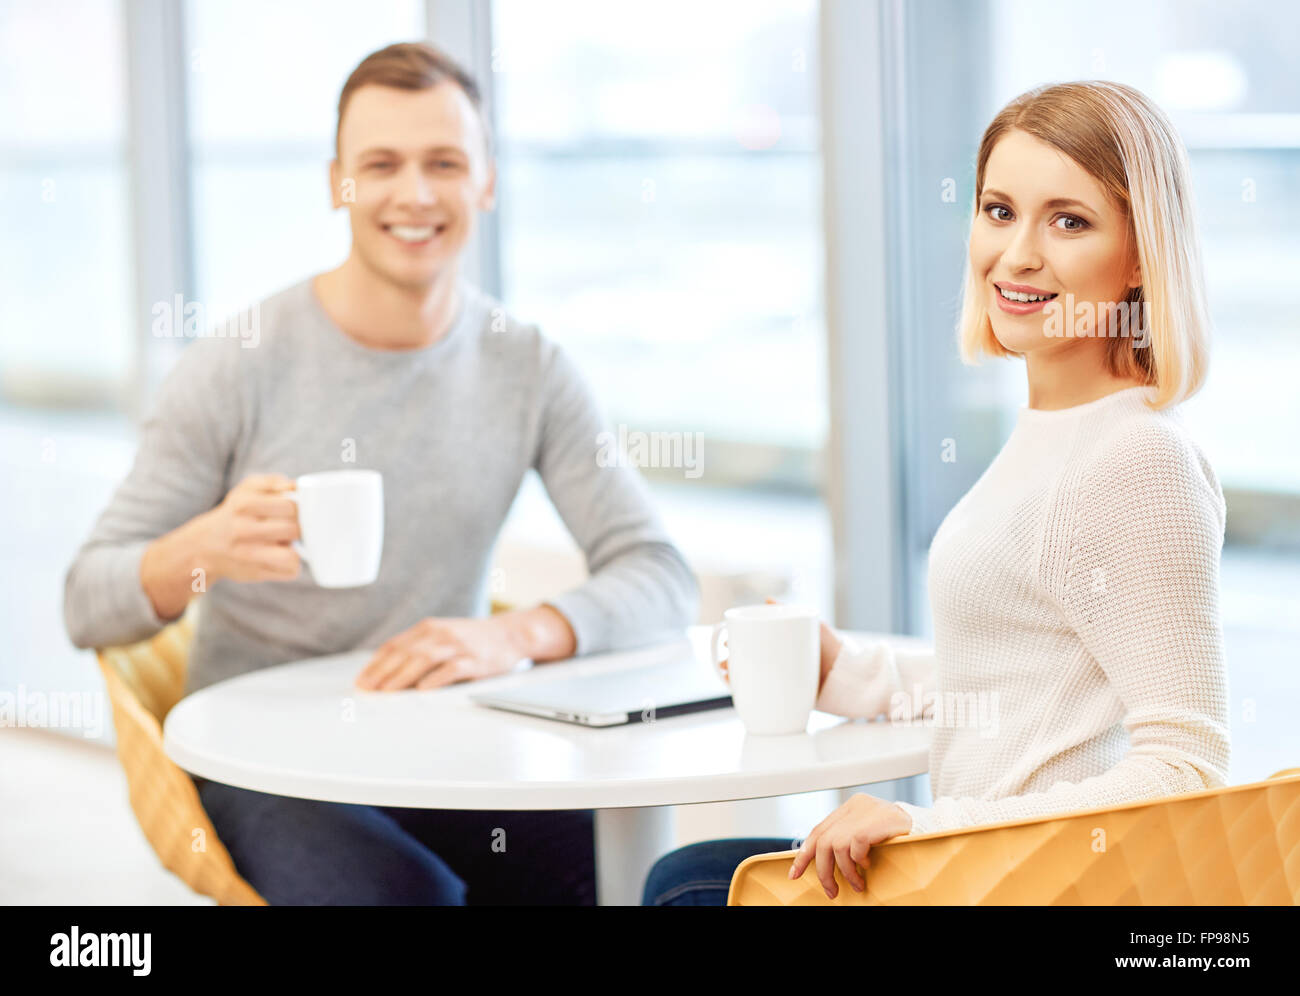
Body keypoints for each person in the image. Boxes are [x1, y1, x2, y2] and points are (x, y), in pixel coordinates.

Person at [63, 41, 698, 906]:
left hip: (442, 750)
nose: (415, 193)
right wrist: (198, 549)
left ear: (486, 182)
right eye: (381, 164)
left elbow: (660, 575)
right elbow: (84, 600)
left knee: (621, 877)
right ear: (337, 184)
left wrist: (515, 634)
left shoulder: (529, 366)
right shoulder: (238, 364)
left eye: (444, 162)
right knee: (409, 897)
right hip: (262, 764)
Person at [643, 79, 1229, 906]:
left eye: (1069, 221)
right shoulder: (1056, 432)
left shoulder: (1136, 462)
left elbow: (1188, 768)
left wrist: (931, 828)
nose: (1018, 252)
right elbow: (1019, 679)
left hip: (1021, 882)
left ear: (1140, 256)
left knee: (691, 888)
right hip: (983, 866)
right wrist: (846, 672)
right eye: (998, 210)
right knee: (691, 875)